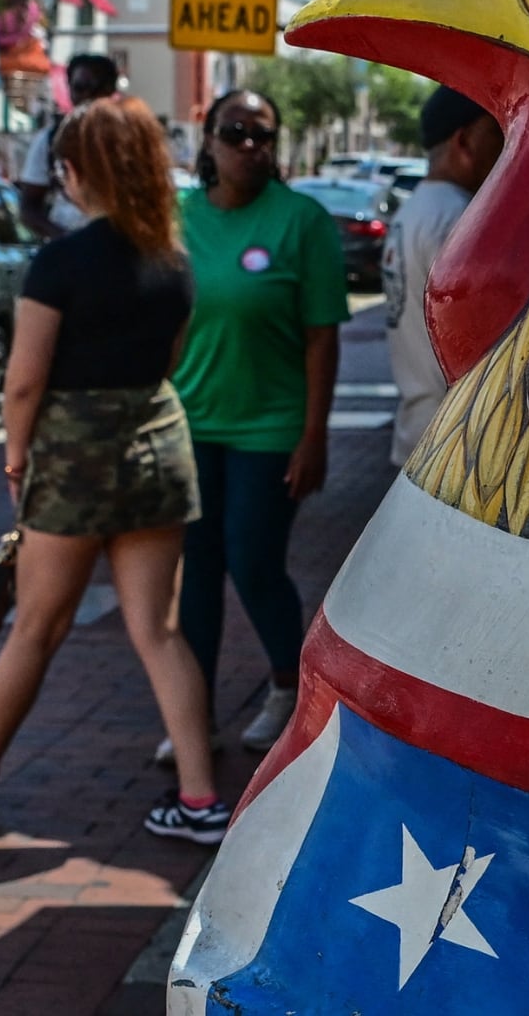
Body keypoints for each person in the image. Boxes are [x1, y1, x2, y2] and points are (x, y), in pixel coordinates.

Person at [0, 97, 229, 842]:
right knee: (159, 632)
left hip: (73, 456)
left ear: (74, 173)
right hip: (157, 445)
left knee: (37, 625)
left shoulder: (60, 262)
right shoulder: (174, 259)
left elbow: (25, 380)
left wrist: (14, 457)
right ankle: (201, 799)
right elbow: (168, 361)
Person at [168, 88, 349, 760]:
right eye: (236, 132)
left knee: (253, 561)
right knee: (197, 570)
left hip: (270, 429)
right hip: (189, 424)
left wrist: (314, 434)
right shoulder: (178, 217)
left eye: (262, 135)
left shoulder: (301, 221)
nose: (250, 146)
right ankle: (192, 713)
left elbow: (320, 338)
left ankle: (284, 684)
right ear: (208, 141)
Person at [382, 85, 505, 465]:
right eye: (495, 132)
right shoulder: (461, 219)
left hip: (419, 434)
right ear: (464, 140)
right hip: (455, 447)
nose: (504, 145)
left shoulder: (414, 211)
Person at [16, 53, 121, 239]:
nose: (87, 96)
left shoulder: (128, 139)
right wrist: (65, 239)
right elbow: (28, 208)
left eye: (96, 89)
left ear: (111, 90)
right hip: (67, 249)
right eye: (80, 88)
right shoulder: (49, 139)